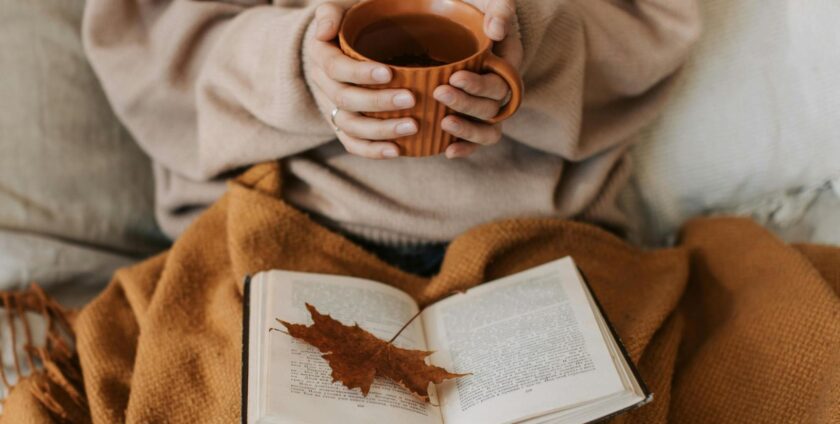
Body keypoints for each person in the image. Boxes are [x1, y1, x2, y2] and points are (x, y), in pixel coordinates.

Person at [83, 0, 700, 275]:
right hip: (281, 222)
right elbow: (151, 48)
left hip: (541, 235)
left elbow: (650, 27)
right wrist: (298, 65)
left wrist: (531, 41)